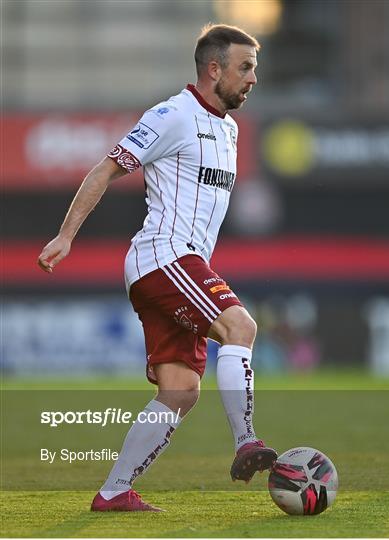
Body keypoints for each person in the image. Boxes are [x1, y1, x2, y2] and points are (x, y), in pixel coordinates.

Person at [38, 23, 277, 512]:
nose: (254, 78)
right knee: (241, 326)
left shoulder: (229, 129)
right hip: (163, 256)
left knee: (180, 392)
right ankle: (247, 441)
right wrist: (66, 235)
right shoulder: (172, 115)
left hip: (180, 264)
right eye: (246, 67)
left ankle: (113, 492)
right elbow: (106, 167)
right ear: (214, 69)